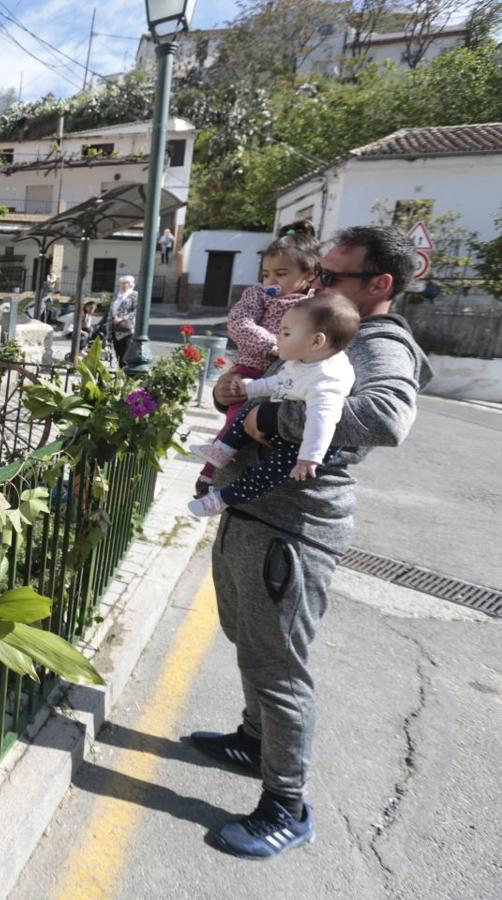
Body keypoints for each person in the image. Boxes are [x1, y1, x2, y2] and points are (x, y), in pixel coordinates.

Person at [193, 225, 432, 860]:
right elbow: (276, 378)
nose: (312, 283)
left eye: (330, 276)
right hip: (253, 512)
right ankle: (253, 740)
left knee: (278, 667)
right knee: (249, 640)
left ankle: (286, 804)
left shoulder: (379, 343)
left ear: (380, 285)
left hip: (291, 530)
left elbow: (384, 418)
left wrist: (270, 417)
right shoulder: (319, 321)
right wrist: (233, 394)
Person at [187, 291, 359, 517]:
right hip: (280, 425)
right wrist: (250, 388)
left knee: (267, 474)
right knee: (250, 405)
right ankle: (222, 450)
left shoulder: (327, 380)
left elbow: (322, 421)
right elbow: (279, 381)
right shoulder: (303, 361)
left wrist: (310, 457)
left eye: (286, 333)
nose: (277, 337)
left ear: (316, 341)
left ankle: (222, 499)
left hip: (299, 445)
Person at [195, 221, 320, 497]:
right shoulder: (258, 295)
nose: (271, 281)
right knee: (236, 420)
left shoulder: (318, 303)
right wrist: (276, 345)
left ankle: (240, 481)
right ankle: (208, 474)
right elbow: (239, 322)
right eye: (266, 274)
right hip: (251, 366)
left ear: (309, 274)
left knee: (260, 430)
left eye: (281, 273)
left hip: (288, 377)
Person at [109, 276, 138, 368]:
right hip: (115, 328)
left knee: (125, 355)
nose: (123, 285)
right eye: (122, 283)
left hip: (127, 329)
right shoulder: (117, 295)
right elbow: (111, 310)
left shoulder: (134, 294)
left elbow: (136, 311)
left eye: (125, 283)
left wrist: (123, 318)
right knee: (118, 354)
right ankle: (120, 374)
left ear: (130, 284)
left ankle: (126, 376)